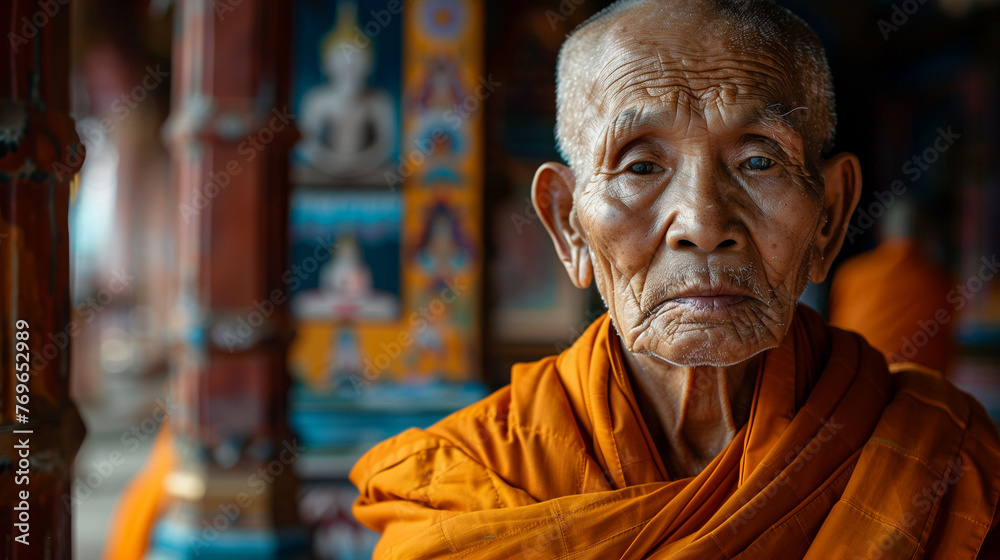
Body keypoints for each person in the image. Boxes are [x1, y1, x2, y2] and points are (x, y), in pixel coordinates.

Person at [350, 0, 1000, 558]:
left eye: (756, 159)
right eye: (639, 167)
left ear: (828, 218)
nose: (703, 221)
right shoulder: (464, 494)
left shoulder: (937, 459)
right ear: (567, 226)